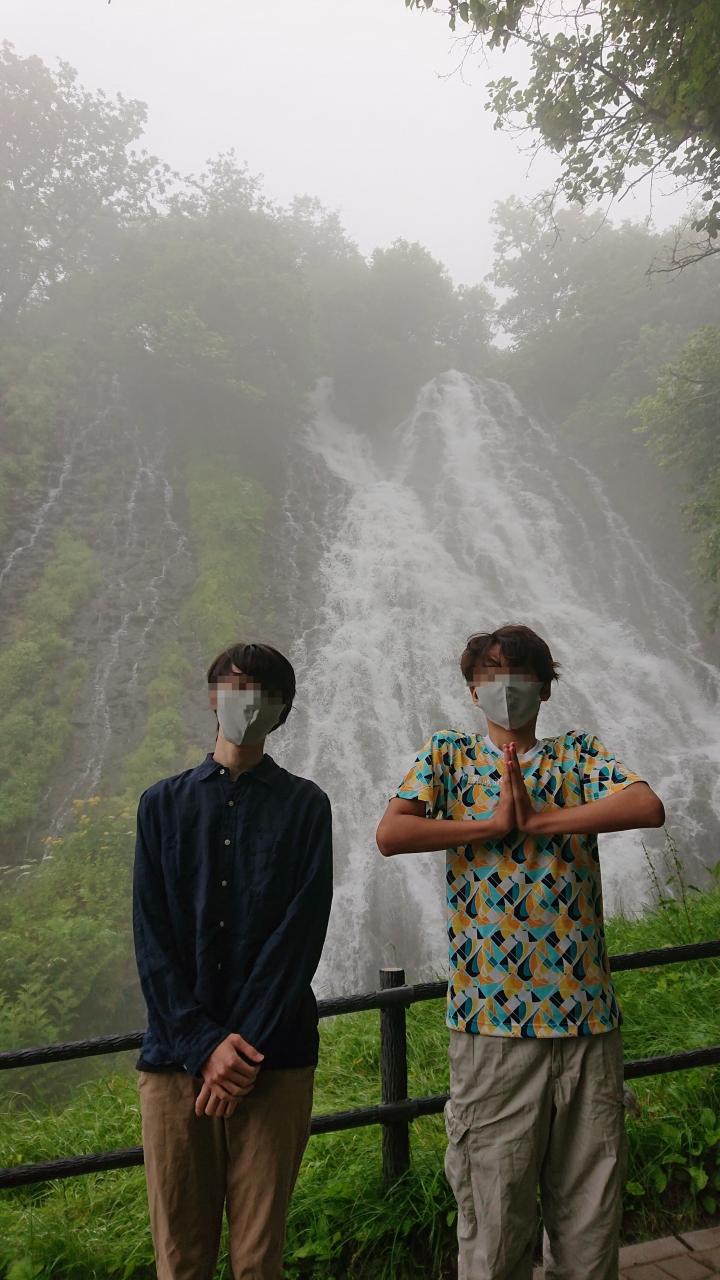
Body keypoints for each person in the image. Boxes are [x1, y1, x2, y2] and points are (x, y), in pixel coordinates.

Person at [375, 623, 665, 1280]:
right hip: (493, 1028)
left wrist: (537, 821)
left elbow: (647, 806)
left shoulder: (577, 755)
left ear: (545, 687)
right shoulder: (448, 756)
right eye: (491, 674)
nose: (506, 686)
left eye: (521, 673)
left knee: (590, 1224)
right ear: (472, 689)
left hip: (586, 1022)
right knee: (494, 1221)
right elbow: (391, 832)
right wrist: (490, 825)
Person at [133, 642, 333, 1280]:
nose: (247, 700)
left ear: (283, 709)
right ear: (212, 695)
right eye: (234, 684)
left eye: (263, 691)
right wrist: (202, 1045)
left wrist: (237, 1053)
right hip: (176, 1064)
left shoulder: (306, 806)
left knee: (257, 1259)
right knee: (180, 1260)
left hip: (272, 1063)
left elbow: (299, 938)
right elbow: (152, 937)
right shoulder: (161, 804)